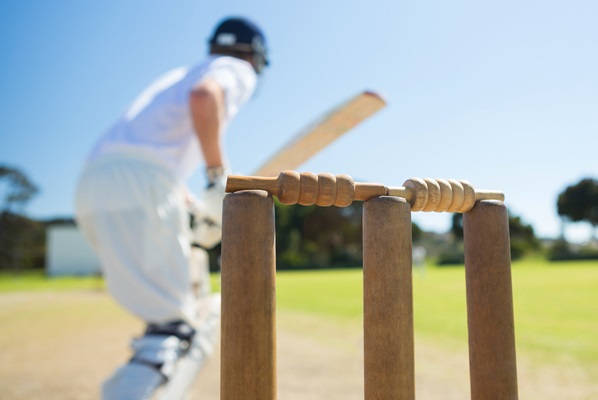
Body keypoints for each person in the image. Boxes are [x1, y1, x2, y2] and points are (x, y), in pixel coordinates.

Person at [75, 17, 269, 399]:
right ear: (255, 55)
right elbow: (204, 97)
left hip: (95, 185)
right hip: (142, 183)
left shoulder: (176, 76)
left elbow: (149, 152)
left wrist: (194, 209)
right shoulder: (235, 68)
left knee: (166, 316)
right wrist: (217, 179)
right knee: (178, 329)